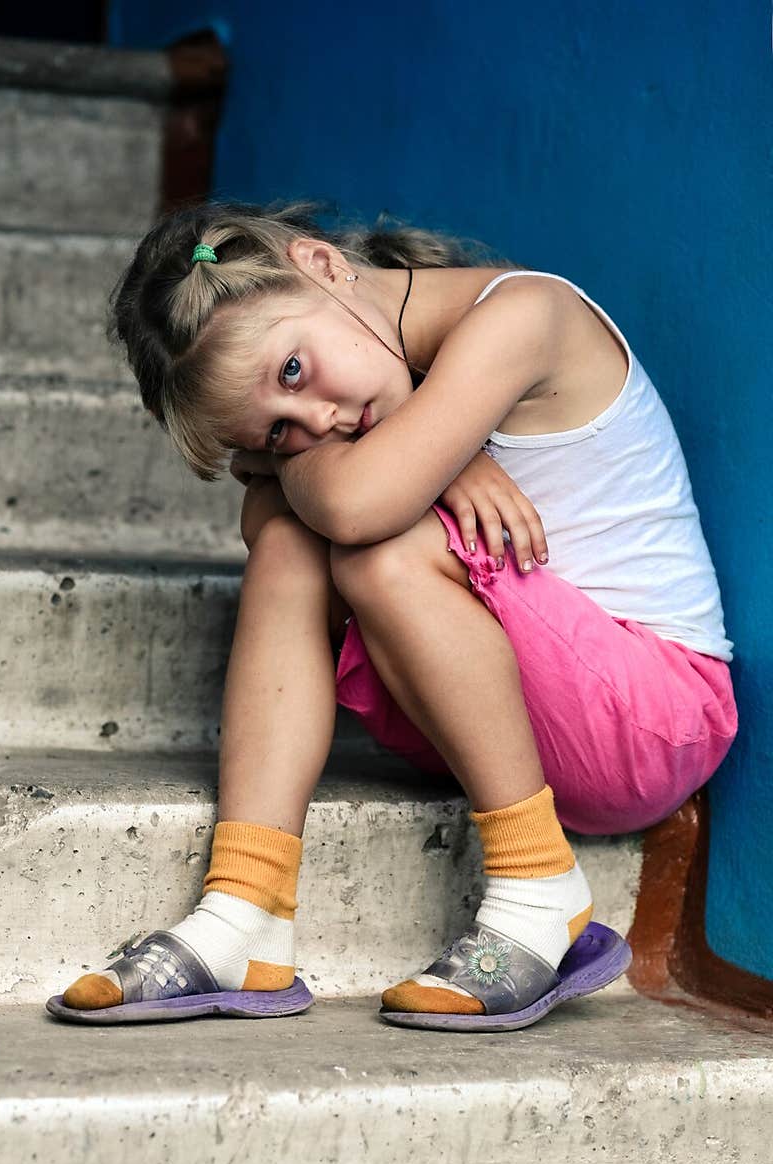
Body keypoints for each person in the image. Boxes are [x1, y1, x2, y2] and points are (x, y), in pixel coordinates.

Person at [46, 200, 737, 1031]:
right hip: (506, 714)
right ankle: (247, 911)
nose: (318, 423)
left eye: (293, 372)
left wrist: (310, 474)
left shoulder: (528, 314)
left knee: (375, 547)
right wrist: (425, 467)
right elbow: (268, 524)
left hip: (652, 721)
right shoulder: (368, 394)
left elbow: (356, 505)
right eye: (275, 434)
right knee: (295, 551)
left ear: (326, 267)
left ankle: (538, 892)